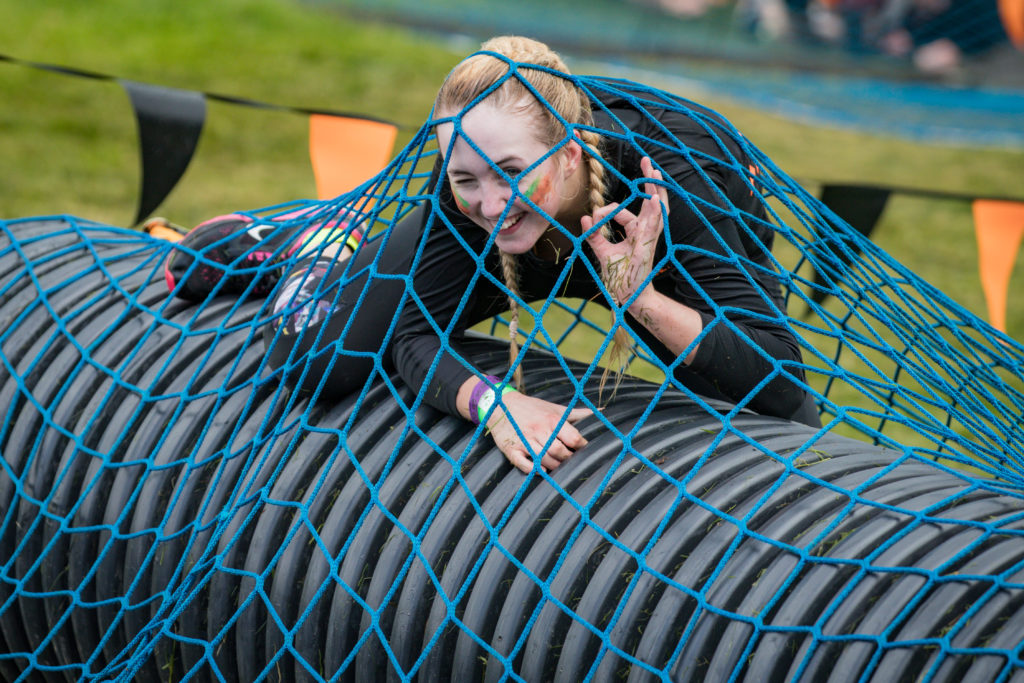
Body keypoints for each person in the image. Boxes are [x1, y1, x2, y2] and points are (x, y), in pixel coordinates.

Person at [166, 35, 820, 474]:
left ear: (568, 153)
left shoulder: (668, 180)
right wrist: (494, 402)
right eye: (465, 176)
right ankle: (315, 237)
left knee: (763, 408)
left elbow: (778, 373)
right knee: (317, 361)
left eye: (510, 169)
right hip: (517, 256)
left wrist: (640, 301)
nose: (488, 199)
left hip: (649, 252)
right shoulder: (472, 203)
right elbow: (412, 335)